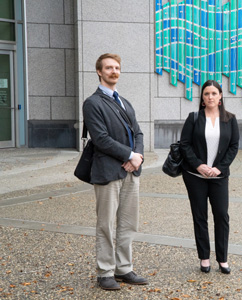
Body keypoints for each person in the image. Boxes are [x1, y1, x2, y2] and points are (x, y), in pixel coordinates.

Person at [82, 53, 148, 290]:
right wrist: (129, 155)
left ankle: (124, 268)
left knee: (128, 223)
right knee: (106, 224)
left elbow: (138, 133)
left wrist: (137, 157)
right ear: (99, 71)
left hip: (131, 172)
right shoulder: (93, 103)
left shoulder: (124, 102)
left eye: (117, 67)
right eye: (109, 67)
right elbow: (100, 139)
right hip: (107, 172)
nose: (114, 71)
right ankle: (105, 271)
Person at [180, 80, 240, 274]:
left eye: (214, 93)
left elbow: (233, 147)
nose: (210, 97)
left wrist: (219, 168)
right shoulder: (194, 118)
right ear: (202, 98)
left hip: (219, 177)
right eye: (206, 94)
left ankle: (222, 259)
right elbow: (185, 144)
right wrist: (198, 165)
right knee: (200, 216)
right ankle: (204, 258)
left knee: (222, 216)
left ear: (221, 96)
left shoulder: (230, 119)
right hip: (194, 175)